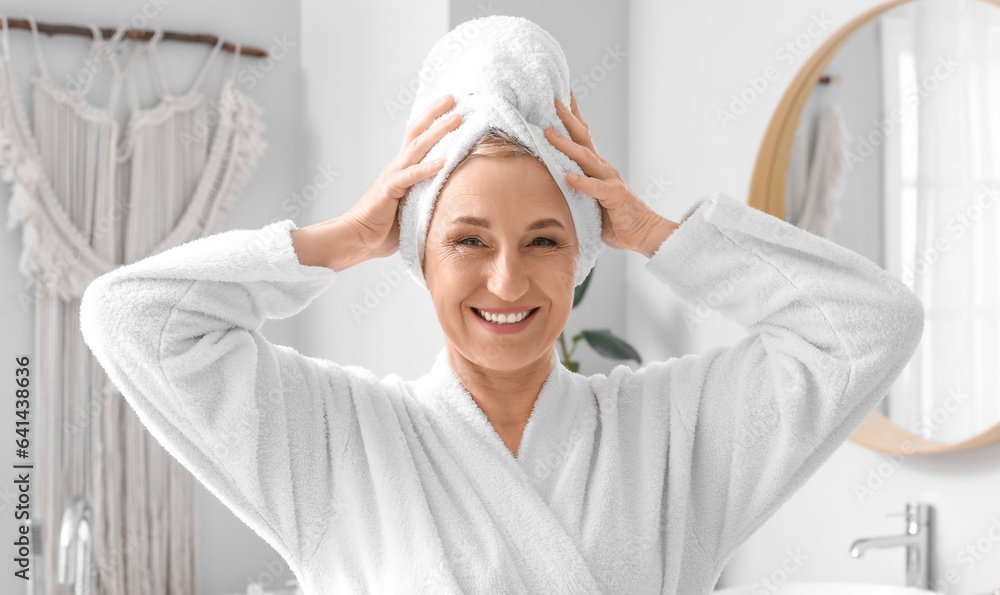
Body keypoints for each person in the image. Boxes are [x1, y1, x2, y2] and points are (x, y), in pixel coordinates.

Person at [80, 90, 924, 594]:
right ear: (419, 253)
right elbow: (133, 318)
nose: (509, 281)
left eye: (546, 240)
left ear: (585, 251)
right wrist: (342, 237)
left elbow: (869, 324)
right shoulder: (342, 440)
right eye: (468, 240)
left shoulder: (671, 434)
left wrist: (663, 233)